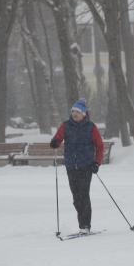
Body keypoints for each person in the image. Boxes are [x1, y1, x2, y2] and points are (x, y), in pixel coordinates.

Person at [50, 98, 104, 234]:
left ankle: (85, 225)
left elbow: (99, 146)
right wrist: (55, 142)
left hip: (86, 166)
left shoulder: (91, 127)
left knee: (84, 195)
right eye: (73, 111)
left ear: (84, 114)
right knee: (76, 197)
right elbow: (58, 137)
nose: (74, 114)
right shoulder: (66, 126)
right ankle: (83, 224)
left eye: (78, 112)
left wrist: (97, 162)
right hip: (71, 166)